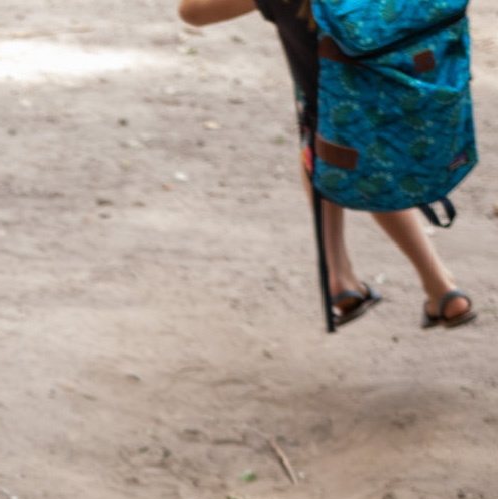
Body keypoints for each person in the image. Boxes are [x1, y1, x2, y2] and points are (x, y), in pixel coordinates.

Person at [178, 0, 476, 330]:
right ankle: (422, 286)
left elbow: (192, 12)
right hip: (413, 97)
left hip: (345, 118)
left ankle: (409, 284)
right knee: (337, 151)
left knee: (342, 154)